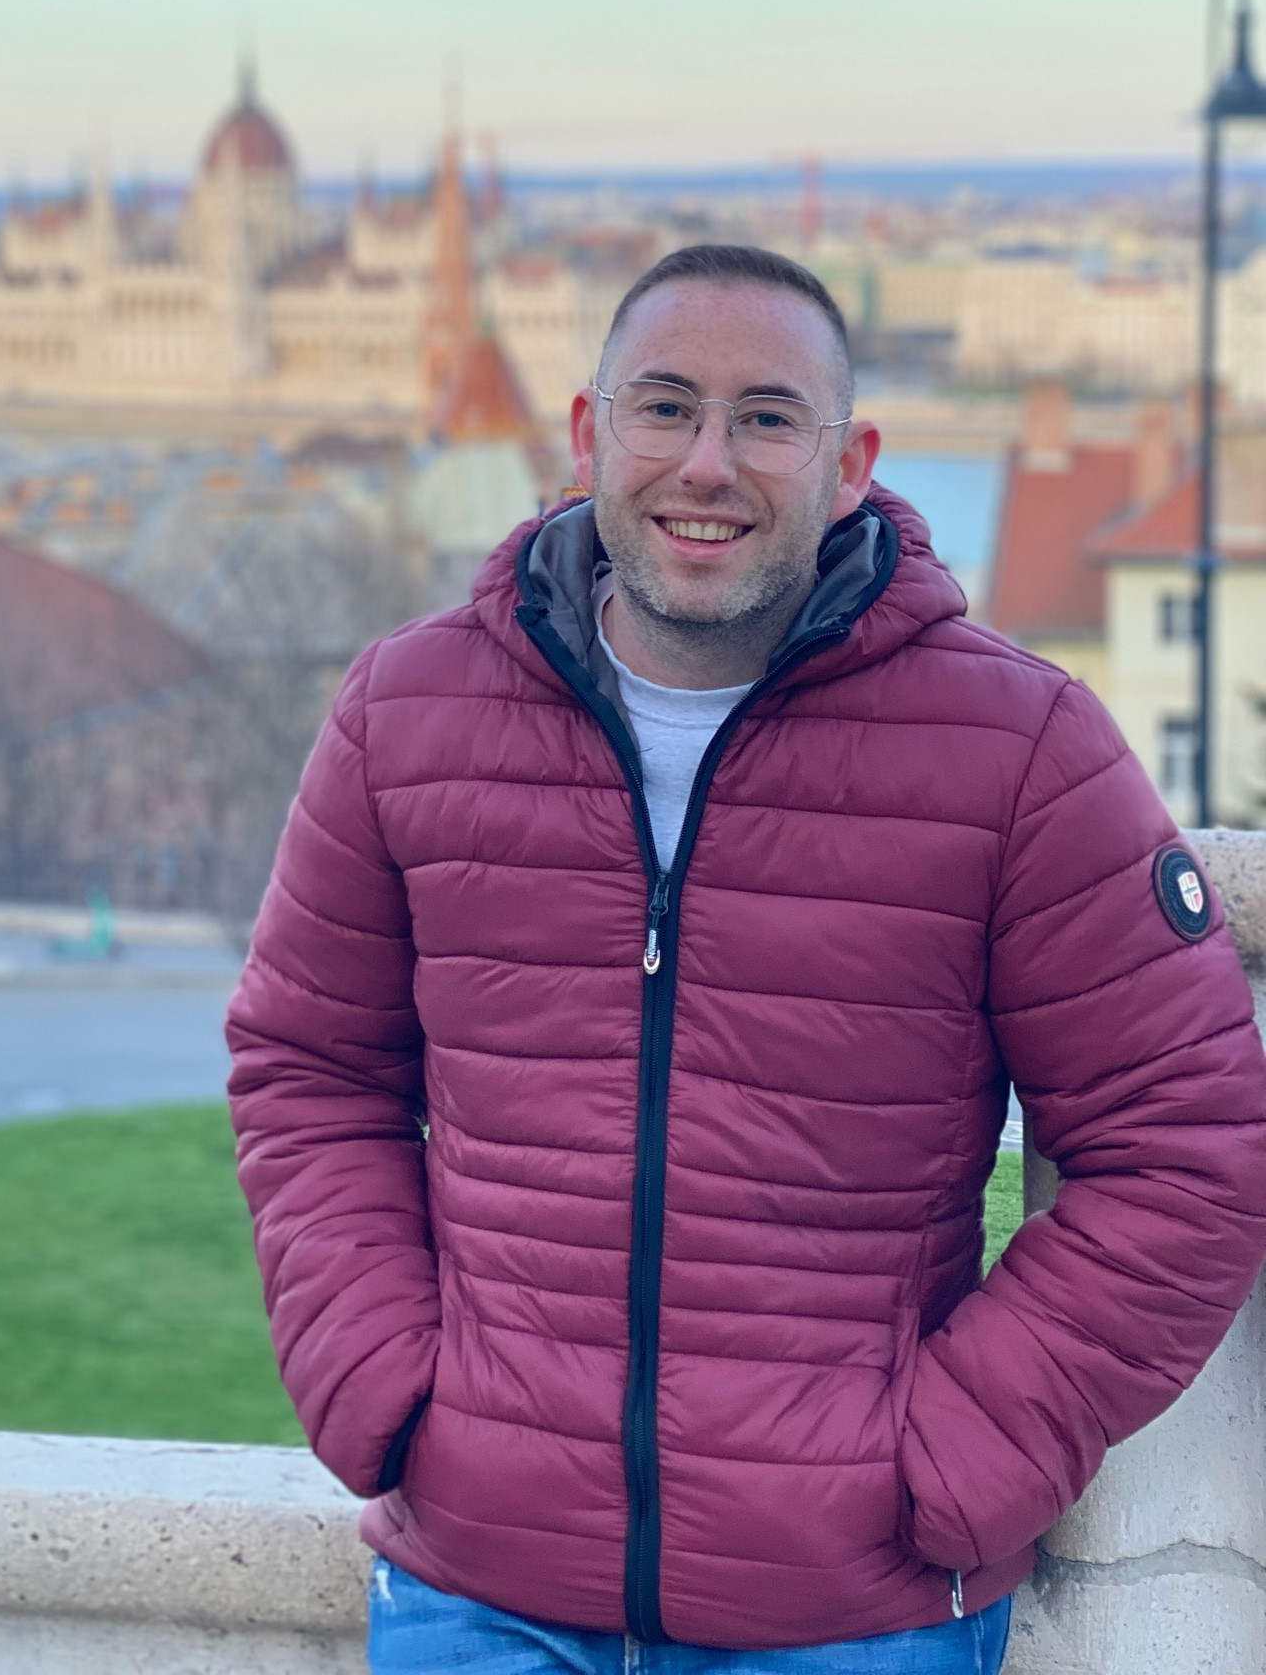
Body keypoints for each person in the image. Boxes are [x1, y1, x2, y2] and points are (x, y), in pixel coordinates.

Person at [227, 243, 1266, 1673]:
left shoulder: (1020, 750)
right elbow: (308, 1069)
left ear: (851, 466)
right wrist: (384, 1387)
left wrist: (953, 1461)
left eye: (768, 418)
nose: (707, 463)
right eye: (665, 407)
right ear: (589, 435)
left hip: (848, 1615)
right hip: (480, 1589)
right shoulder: (406, 713)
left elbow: (1186, 1150)